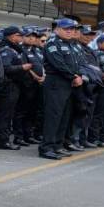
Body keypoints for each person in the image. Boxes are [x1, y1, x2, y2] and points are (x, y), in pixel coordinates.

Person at [39, 18, 84, 160]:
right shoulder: (53, 43)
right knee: (53, 117)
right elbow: (58, 64)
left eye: (72, 29)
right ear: (57, 29)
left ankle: (57, 145)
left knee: (64, 117)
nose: (70, 31)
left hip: (69, 84)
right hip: (56, 84)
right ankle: (46, 148)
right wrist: (73, 76)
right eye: (66, 29)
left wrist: (79, 75)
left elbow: (78, 63)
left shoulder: (71, 44)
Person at [0, 27, 28, 149]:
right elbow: (6, 68)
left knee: (8, 114)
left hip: (15, 85)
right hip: (8, 85)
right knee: (5, 114)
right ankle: (3, 141)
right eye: (19, 35)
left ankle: (4, 139)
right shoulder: (7, 50)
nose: (21, 38)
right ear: (12, 36)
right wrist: (22, 68)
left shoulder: (15, 49)